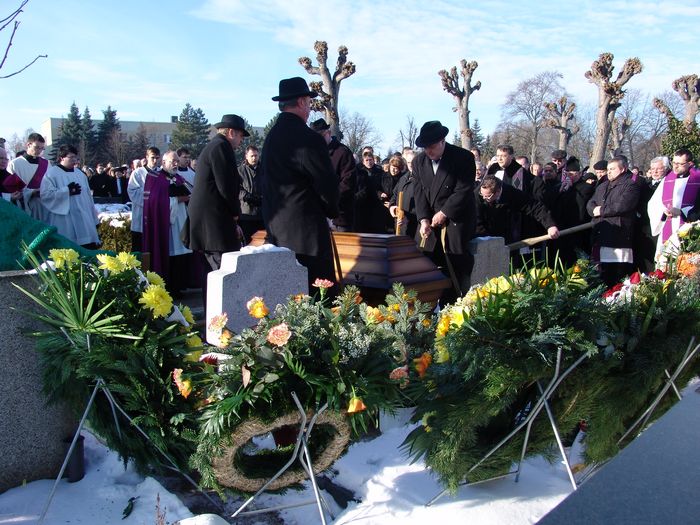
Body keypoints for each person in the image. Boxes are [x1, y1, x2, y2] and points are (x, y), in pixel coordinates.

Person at [261, 77, 339, 289]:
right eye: (309, 102)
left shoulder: (270, 138)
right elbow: (326, 183)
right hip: (307, 233)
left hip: (276, 229)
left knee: (285, 295)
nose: (310, 108)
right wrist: (331, 211)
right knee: (318, 294)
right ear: (302, 101)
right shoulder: (308, 138)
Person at [185, 113, 248, 301]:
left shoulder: (214, 146)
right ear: (231, 132)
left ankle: (212, 314)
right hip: (214, 224)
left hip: (207, 222)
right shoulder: (221, 147)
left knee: (211, 273)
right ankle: (219, 315)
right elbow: (226, 186)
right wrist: (235, 215)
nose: (241, 141)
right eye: (240, 136)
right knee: (221, 272)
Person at [412, 120, 477, 299]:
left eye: (432, 146)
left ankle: (455, 299)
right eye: (425, 147)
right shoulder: (418, 162)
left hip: (455, 217)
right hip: (430, 219)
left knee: (455, 262)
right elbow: (419, 193)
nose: (428, 151)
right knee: (423, 258)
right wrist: (423, 219)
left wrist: (444, 212)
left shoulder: (463, 157)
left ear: (442, 141)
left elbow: (463, 190)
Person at [587, 156, 641, 287]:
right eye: (608, 169)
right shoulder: (603, 186)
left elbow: (623, 205)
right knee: (600, 275)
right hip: (600, 234)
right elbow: (591, 202)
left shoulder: (631, 185)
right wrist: (593, 209)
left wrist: (601, 210)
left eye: (612, 169)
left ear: (622, 169)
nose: (609, 172)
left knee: (616, 276)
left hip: (618, 236)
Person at [40, 145, 100, 249]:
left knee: (87, 247)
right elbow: (46, 195)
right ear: (62, 158)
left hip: (83, 219)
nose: (74, 160)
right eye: (71, 157)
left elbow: (88, 198)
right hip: (64, 220)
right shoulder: (51, 174)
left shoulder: (80, 174)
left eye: (75, 157)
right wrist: (66, 191)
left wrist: (94, 219)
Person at [647, 148, 700, 256]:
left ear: (690, 164)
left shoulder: (697, 179)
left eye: (680, 164)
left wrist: (682, 212)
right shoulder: (667, 180)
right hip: (669, 227)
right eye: (674, 163)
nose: (675, 166)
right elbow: (653, 204)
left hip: (690, 227)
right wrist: (664, 211)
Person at [311, 118, 356, 232]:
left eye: (321, 136)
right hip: (318, 214)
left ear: (329, 133)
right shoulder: (313, 154)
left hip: (339, 215)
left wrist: (330, 199)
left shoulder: (343, 152)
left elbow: (348, 182)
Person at [6, 133, 49, 220]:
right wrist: (31, 192)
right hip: (24, 208)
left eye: (42, 148)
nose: (39, 151)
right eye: (37, 147)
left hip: (44, 207)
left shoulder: (47, 164)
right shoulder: (14, 164)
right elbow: (11, 190)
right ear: (28, 145)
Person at [128, 147, 161, 252]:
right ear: (147, 157)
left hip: (156, 217)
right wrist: (151, 198)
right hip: (140, 217)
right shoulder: (137, 173)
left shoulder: (162, 174)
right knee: (139, 251)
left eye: (157, 158)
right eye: (152, 158)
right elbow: (132, 191)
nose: (155, 161)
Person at [354, 145, 386, 233]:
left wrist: (380, 193)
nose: (369, 162)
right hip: (362, 204)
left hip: (376, 203)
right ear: (363, 161)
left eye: (370, 160)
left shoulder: (380, 171)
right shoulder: (359, 171)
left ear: (373, 160)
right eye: (367, 160)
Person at [237, 145, 264, 241]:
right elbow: (237, 188)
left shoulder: (264, 169)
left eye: (256, 155)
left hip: (262, 214)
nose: (254, 158)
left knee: (263, 244)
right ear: (246, 156)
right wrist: (247, 197)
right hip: (246, 214)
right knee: (249, 244)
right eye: (252, 156)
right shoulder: (240, 171)